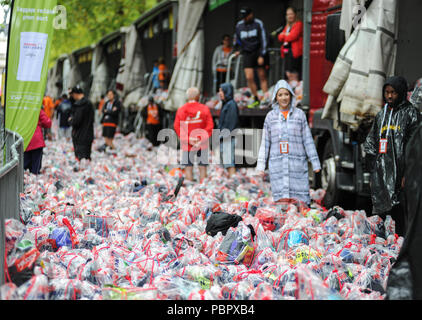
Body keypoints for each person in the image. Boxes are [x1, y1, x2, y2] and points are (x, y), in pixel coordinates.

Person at [364, 76, 422, 236]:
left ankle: (401, 243)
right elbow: (371, 143)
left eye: (393, 93)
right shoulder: (381, 115)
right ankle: (384, 247)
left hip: (402, 174)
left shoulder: (411, 114)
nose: (389, 96)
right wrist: (372, 172)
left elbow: (415, 147)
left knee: (401, 213)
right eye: (387, 92)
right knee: (382, 211)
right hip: (382, 173)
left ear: (401, 93)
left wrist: (408, 173)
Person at [256, 80, 321, 205]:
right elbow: (265, 143)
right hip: (277, 165)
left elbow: (307, 140)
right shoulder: (270, 117)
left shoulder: (299, 115)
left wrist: (315, 163)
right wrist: (261, 166)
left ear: (291, 95)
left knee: (299, 202)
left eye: (286, 94)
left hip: (296, 165)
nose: (283, 98)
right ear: (276, 97)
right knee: (281, 202)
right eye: (280, 95)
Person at [174, 87, 214, 183]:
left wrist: (188, 139)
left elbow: (177, 126)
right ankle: (203, 185)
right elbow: (210, 125)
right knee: (202, 165)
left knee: (188, 166)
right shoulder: (204, 109)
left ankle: (190, 185)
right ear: (198, 96)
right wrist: (201, 138)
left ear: (187, 97)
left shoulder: (181, 110)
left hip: (187, 143)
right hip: (202, 142)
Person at [234, 7, 269, 105]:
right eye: (243, 17)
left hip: (258, 52)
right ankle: (256, 97)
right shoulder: (239, 25)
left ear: (251, 15)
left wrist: (262, 55)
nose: (244, 18)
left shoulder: (258, 23)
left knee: (262, 75)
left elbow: (264, 39)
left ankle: (265, 98)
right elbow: (237, 40)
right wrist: (237, 50)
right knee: (249, 77)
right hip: (247, 53)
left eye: (246, 16)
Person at [218, 83, 239, 178]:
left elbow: (231, 123)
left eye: (222, 91)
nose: (220, 93)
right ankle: (230, 179)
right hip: (225, 137)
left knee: (229, 162)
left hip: (228, 137)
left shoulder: (231, 105)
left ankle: (233, 180)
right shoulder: (226, 104)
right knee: (226, 161)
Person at [69, 86, 95, 162]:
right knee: (87, 157)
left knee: (80, 158)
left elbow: (76, 121)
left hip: (79, 135)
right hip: (88, 134)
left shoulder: (80, 105)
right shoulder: (89, 103)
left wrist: (71, 120)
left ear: (75, 94)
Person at [278, 7, 303, 79]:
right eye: (288, 14)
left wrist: (285, 35)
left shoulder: (298, 24)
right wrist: (285, 35)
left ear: (295, 14)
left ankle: (295, 88)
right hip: (286, 52)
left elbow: (293, 36)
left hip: (295, 53)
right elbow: (279, 37)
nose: (289, 16)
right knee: (287, 73)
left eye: (291, 14)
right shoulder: (288, 26)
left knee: (294, 73)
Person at [24, 108, 52, 175]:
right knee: (35, 167)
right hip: (36, 141)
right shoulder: (36, 108)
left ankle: (24, 181)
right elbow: (47, 122)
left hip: (24, 139)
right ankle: (33, 182)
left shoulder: (20, 109)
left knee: (24, 165)